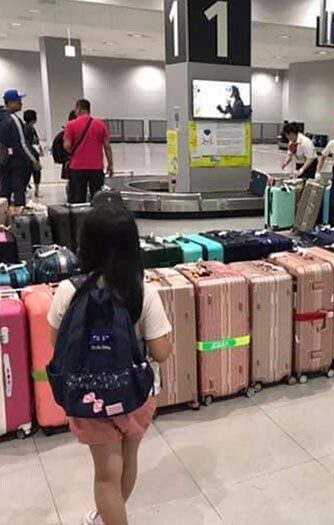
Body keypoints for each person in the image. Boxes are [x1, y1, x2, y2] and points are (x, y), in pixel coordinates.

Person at [48, 203, 172, 525]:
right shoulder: (143, 292)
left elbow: (56, 344)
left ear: (85, 245)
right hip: (135, 396)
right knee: (128, 461)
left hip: (89, 399)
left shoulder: (68, 291)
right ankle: (107, 518)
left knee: (106, 474)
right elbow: (161, 351)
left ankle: (106, 517)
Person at [64, 99, 114, 204]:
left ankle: (80, 214)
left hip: (77, 168)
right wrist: (110, 164)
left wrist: (75, 152)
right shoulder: (100, 124)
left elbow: (67, 145)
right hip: (96, 168)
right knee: (97, 199)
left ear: (78, 109)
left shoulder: (71, 124)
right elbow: (107, 147)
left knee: (78, 199)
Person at [0, 89, 40, 207]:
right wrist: (34, 160)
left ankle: (4, 214)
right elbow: (22, 144)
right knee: (19, 190)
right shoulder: (13, 119)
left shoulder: (1, 117)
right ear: (10, 103)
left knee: (4, 192)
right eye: (19, 101)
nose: (21, 103)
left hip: (3, 160)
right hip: (17, 161)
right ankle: (19, 215)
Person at [23, 109, 43, 198]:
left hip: (29, 153)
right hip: (32, 153)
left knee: (28, 172)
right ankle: (36, 191)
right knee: (36, 172)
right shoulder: (30, 129)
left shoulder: (24, 127)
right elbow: (31, 142)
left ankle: (27, 190)